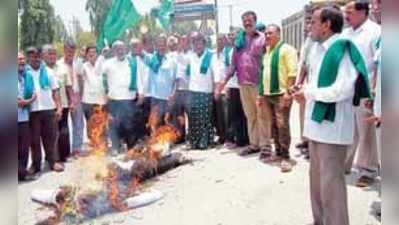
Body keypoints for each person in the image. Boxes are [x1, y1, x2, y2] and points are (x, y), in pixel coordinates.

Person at [292, 6, 372, 225]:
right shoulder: (317, 49)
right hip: (316, 127)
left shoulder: (342, 49)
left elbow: (343, 90)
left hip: (333, 129)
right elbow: (314, 84)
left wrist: (308, 93)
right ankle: (320, 221)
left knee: (331, 186)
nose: (309, 27)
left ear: (326, 25)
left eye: (314, 22)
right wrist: (303, 92)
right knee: (316, 182)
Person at [216, 11, 268, 156]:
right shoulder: (239, 42)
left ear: (255, 21)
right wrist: (223, 82)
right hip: (243, 84)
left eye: (249, 20)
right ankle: (254, 144)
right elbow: (233, 65)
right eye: (244, 21)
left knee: (262, 115)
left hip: (259, 84)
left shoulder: (263, 39)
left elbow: (268, 62)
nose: (247, 23)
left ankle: (265, 146)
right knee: (250, 115)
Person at [342, 0, 381, 187]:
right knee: (348, 128)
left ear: (362, 12)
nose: (345, 15)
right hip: (347, 87)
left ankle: (368, 169)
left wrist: (374, 91)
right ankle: (345, 164)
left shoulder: (375, 32)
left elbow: (379, 64)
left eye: (349, 11)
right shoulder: (346, 33)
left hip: (366, 87)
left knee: (366, 131)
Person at [257, 24, 298, 172]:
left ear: (279, 34)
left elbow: (292, 73)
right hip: (268, 94)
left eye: (270, 33)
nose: (267, 36)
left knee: (282, 125)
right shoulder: (267, 52)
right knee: (273, 125)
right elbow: (263, 74)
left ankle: (286, 157)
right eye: (266, 34)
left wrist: (288, 92)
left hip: (281, 94)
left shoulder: (287, 49)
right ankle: (278, 152)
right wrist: (261, 94)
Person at [26, 47, 64, 174]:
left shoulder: (48, 71)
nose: (35, 58)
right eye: (32, 56)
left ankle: (53, 162)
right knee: (34, 140)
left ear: (41, 57)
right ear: (28, 58)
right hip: (32, 111)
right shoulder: (25, 73)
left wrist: (59, 107)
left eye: (37, 56)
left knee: (50, 138)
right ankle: (36, 165)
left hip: (48, 110)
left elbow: (55, 90)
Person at [102, 41, 140, 154]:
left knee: (129, 124)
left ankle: (131, 147)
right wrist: (101, 55)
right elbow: (99, 76)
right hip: (114, 99)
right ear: (114, 51)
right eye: (117, 49)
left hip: (129, 98)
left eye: (122, 48)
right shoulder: (107, 63)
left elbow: (139, 78)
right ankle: (115, 147)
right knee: (114, 125)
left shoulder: (133, 62)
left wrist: (141, 92)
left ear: (125, 49)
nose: (120, 51)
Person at [185, 33, 219, 150]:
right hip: (193, 91)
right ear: (193, 45)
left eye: (200, 42)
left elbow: (216, 74)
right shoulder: (190, 56)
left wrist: (216, 90)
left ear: (204, 44)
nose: (198, 45)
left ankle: (205, 141)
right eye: (195, 43)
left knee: (205, 118)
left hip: (206, 92)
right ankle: (194, 142)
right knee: (194, 118)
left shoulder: (211, 56)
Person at [222, 30, 249, 149]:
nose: (232, 37)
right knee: (232, 115)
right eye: (230, 35)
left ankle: (244, 140)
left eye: (234, 35)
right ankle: (233, 139)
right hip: (232, 87)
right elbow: (227, 70)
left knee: (244, 114)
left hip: (242, 86)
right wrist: (226, 86)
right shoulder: (228, 51)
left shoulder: (244, 48)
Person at [294, 14, 315, 158]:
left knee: (312, 116)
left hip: (313, 86)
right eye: (306, 22)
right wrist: (299, 83)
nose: (307, 26)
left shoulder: (317, 41)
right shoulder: (307, 41)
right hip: (305, 84)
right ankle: (306, 140)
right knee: (304, 114)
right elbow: (303, 65)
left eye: (310, 22)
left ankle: (312, 145)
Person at [148, 35, 178, 132]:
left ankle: (167, 142)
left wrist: (173, 94)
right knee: (156, 121)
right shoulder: (150, 59)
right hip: (155, 96)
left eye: (163, 45)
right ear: (156, 46)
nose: (161, 47)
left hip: (168, 96)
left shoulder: (172, 60)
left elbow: (177, 79)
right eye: (159, 45)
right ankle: (157, 141)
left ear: (166, 46)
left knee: (168, 120)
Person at [53, 42, 75, 161]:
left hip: (64, 105)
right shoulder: (43, 69)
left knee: (64, 132)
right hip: (48, 107)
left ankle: (65, 155)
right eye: (49, 54)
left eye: (53, 54)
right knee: (51, 133)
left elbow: (69, 87)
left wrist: (72, 102)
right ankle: (52, 157)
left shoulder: (63, 68)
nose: (52, 57)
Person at [17, 51, 38, 181]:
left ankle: (22, 173)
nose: (22, 61)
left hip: (24, 117)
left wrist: (27, 102)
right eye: (19, 59)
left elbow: (34, 94)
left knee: (24, 147)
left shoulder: (27, 76)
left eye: (23, 59)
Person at [81, 45, 107, 132]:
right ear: (86, 54)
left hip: (101, 100)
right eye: (89, 52)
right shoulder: (83, 66)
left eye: (94, 52)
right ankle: (93, 144)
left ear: (97, 54)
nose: (92, 54)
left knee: (102, 125)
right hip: (88, 101)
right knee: (91, 126)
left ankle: (102, 144)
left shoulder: (103, 64)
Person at [130, 38, 151, 139]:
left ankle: (150, 139)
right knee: (137, 119)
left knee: (149, 118)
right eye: (133, 46)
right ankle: (140, 140)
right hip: (137, 94)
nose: (135, 48)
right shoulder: (130, 59)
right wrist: (140, 93)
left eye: (137, 45)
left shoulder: (150, 58)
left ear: (141, 46)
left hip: (150, 94)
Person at [173, 34, 192, 143]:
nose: (182, 43)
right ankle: (181, 137)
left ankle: (191, 136)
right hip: (178, 89)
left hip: (189, 89)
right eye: (181, 41)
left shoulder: (191, 55)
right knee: (179, 115)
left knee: (190, 113)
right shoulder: (173, 55)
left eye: (185, 41)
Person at [213, 34, 228, 145]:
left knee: (225, 114)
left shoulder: (228, 54)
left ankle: (227, 136)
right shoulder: (213, 55)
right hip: (214, 88)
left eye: (222, 39)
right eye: (218, 39)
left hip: (225, 88)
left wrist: (225, 87)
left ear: (225, 41)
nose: (220, 41)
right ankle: (220, 135)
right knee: (217, 114)